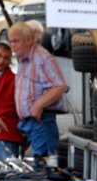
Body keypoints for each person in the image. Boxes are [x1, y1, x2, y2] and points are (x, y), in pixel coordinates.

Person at [9, 20, 67, 167]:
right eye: (11, 42)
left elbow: (60, 86)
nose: (13, 46)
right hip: (31, 123)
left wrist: (38, 105)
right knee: (38, 169)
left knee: (44, 169)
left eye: (16, 41)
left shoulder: (42, 58)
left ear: (29, 39)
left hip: (41, 121)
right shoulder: (23, 59)